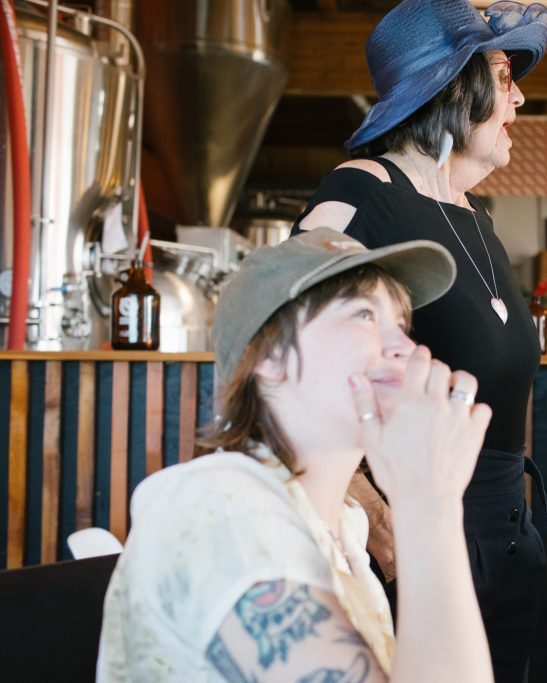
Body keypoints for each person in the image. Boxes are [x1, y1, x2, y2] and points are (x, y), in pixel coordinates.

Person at [97, 228, 495, 682]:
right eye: (364, 314)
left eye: (401, 324)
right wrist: (430, 502)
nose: (406, 348)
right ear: (270, 357)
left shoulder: (344, 527)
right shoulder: (217, 509)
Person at [291, 2, 547, 681]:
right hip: (416, 529)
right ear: (454, 86)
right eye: (503, 75)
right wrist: (365, 500)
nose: (519, 94)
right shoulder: (364, 190)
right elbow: (284, 342)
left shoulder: (477, 216)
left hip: (506, 528)